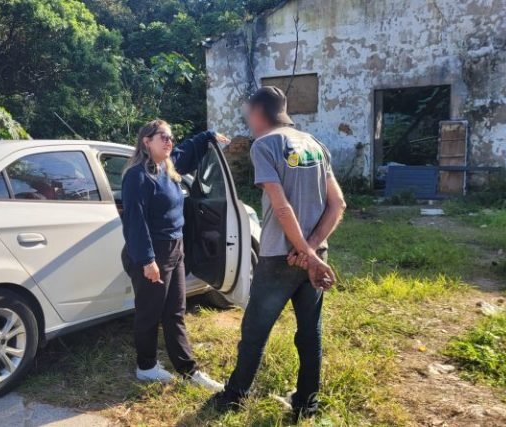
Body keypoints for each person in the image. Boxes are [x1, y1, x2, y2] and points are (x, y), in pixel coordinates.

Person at [210, 87, 347, 420]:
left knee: (255, 331)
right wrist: (312, 251)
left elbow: (282, 207)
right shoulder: (315, 145)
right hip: (314, 257)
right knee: (310, 332)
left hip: (278, 258)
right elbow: (338, 204)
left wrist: (304, 252)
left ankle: (234, 397)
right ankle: (307, 404)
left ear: (259, 113)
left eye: (248, 116)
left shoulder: (265, 145)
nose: (249, 122)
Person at [121, 119, 228, 391]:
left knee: (175, 312)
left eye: (171, 137)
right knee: (149, 312)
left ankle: (188, 370)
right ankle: (146, 367)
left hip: (175, 249)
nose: (170, 142)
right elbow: (135, 222)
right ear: (147, 141)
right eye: (163, 137)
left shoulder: (167, 166)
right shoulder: (137, 176)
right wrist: (147, 260)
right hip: (153, 253)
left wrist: (208, 136)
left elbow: (187, 149)